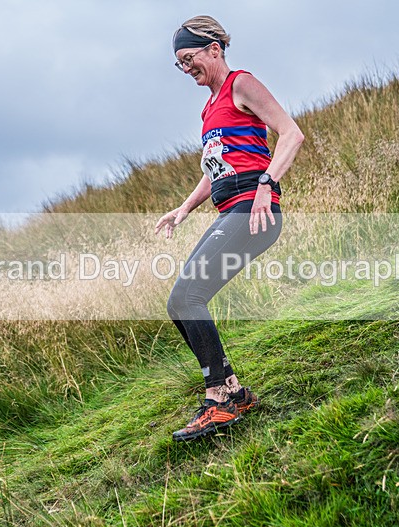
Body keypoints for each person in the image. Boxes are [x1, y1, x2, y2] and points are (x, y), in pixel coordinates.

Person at [155, 15, 304, 441]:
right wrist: (184, 208)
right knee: (179, 303)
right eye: (180, 63)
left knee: (189, 296)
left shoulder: (242, 83)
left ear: (214, 49)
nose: (187, 69)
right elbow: (214, 169)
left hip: (253, 211)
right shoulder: (209, 108)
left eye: (190, 58)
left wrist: (266, 185)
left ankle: (218, 398)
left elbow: (291, 134)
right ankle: (234, 392)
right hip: (229, 211)